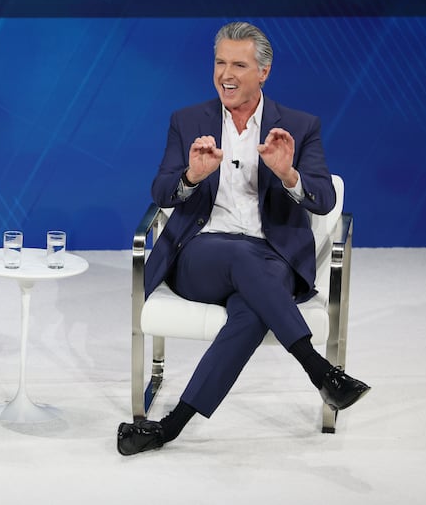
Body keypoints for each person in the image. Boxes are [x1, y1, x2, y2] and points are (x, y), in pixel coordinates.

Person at [117, 22, 370, 456]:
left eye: (238, 64)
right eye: (220, 62)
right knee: (239, 259)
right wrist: (191, 176)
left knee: (251, 313)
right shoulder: (187, 121)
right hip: (201, 254)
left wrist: (288, 174)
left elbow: (324, 199)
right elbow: (161, 192)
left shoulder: (300, 126)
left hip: (273, 258)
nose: (225, 74)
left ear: (263, 72)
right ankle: (319, 371)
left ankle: (169, 428)